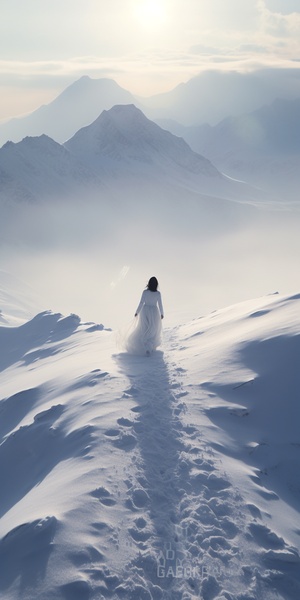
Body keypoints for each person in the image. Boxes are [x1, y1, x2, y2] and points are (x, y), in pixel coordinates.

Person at [125, 277, 164, 355]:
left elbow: (141, 302)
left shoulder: (145, 292)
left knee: (144, 328)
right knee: (153, 329)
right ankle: (149, 347)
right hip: (154, 312)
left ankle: (146, 346)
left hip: (145, 311)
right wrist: (162, 313)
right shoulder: (158, 293)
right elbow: (160, 304)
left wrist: (137, 312)